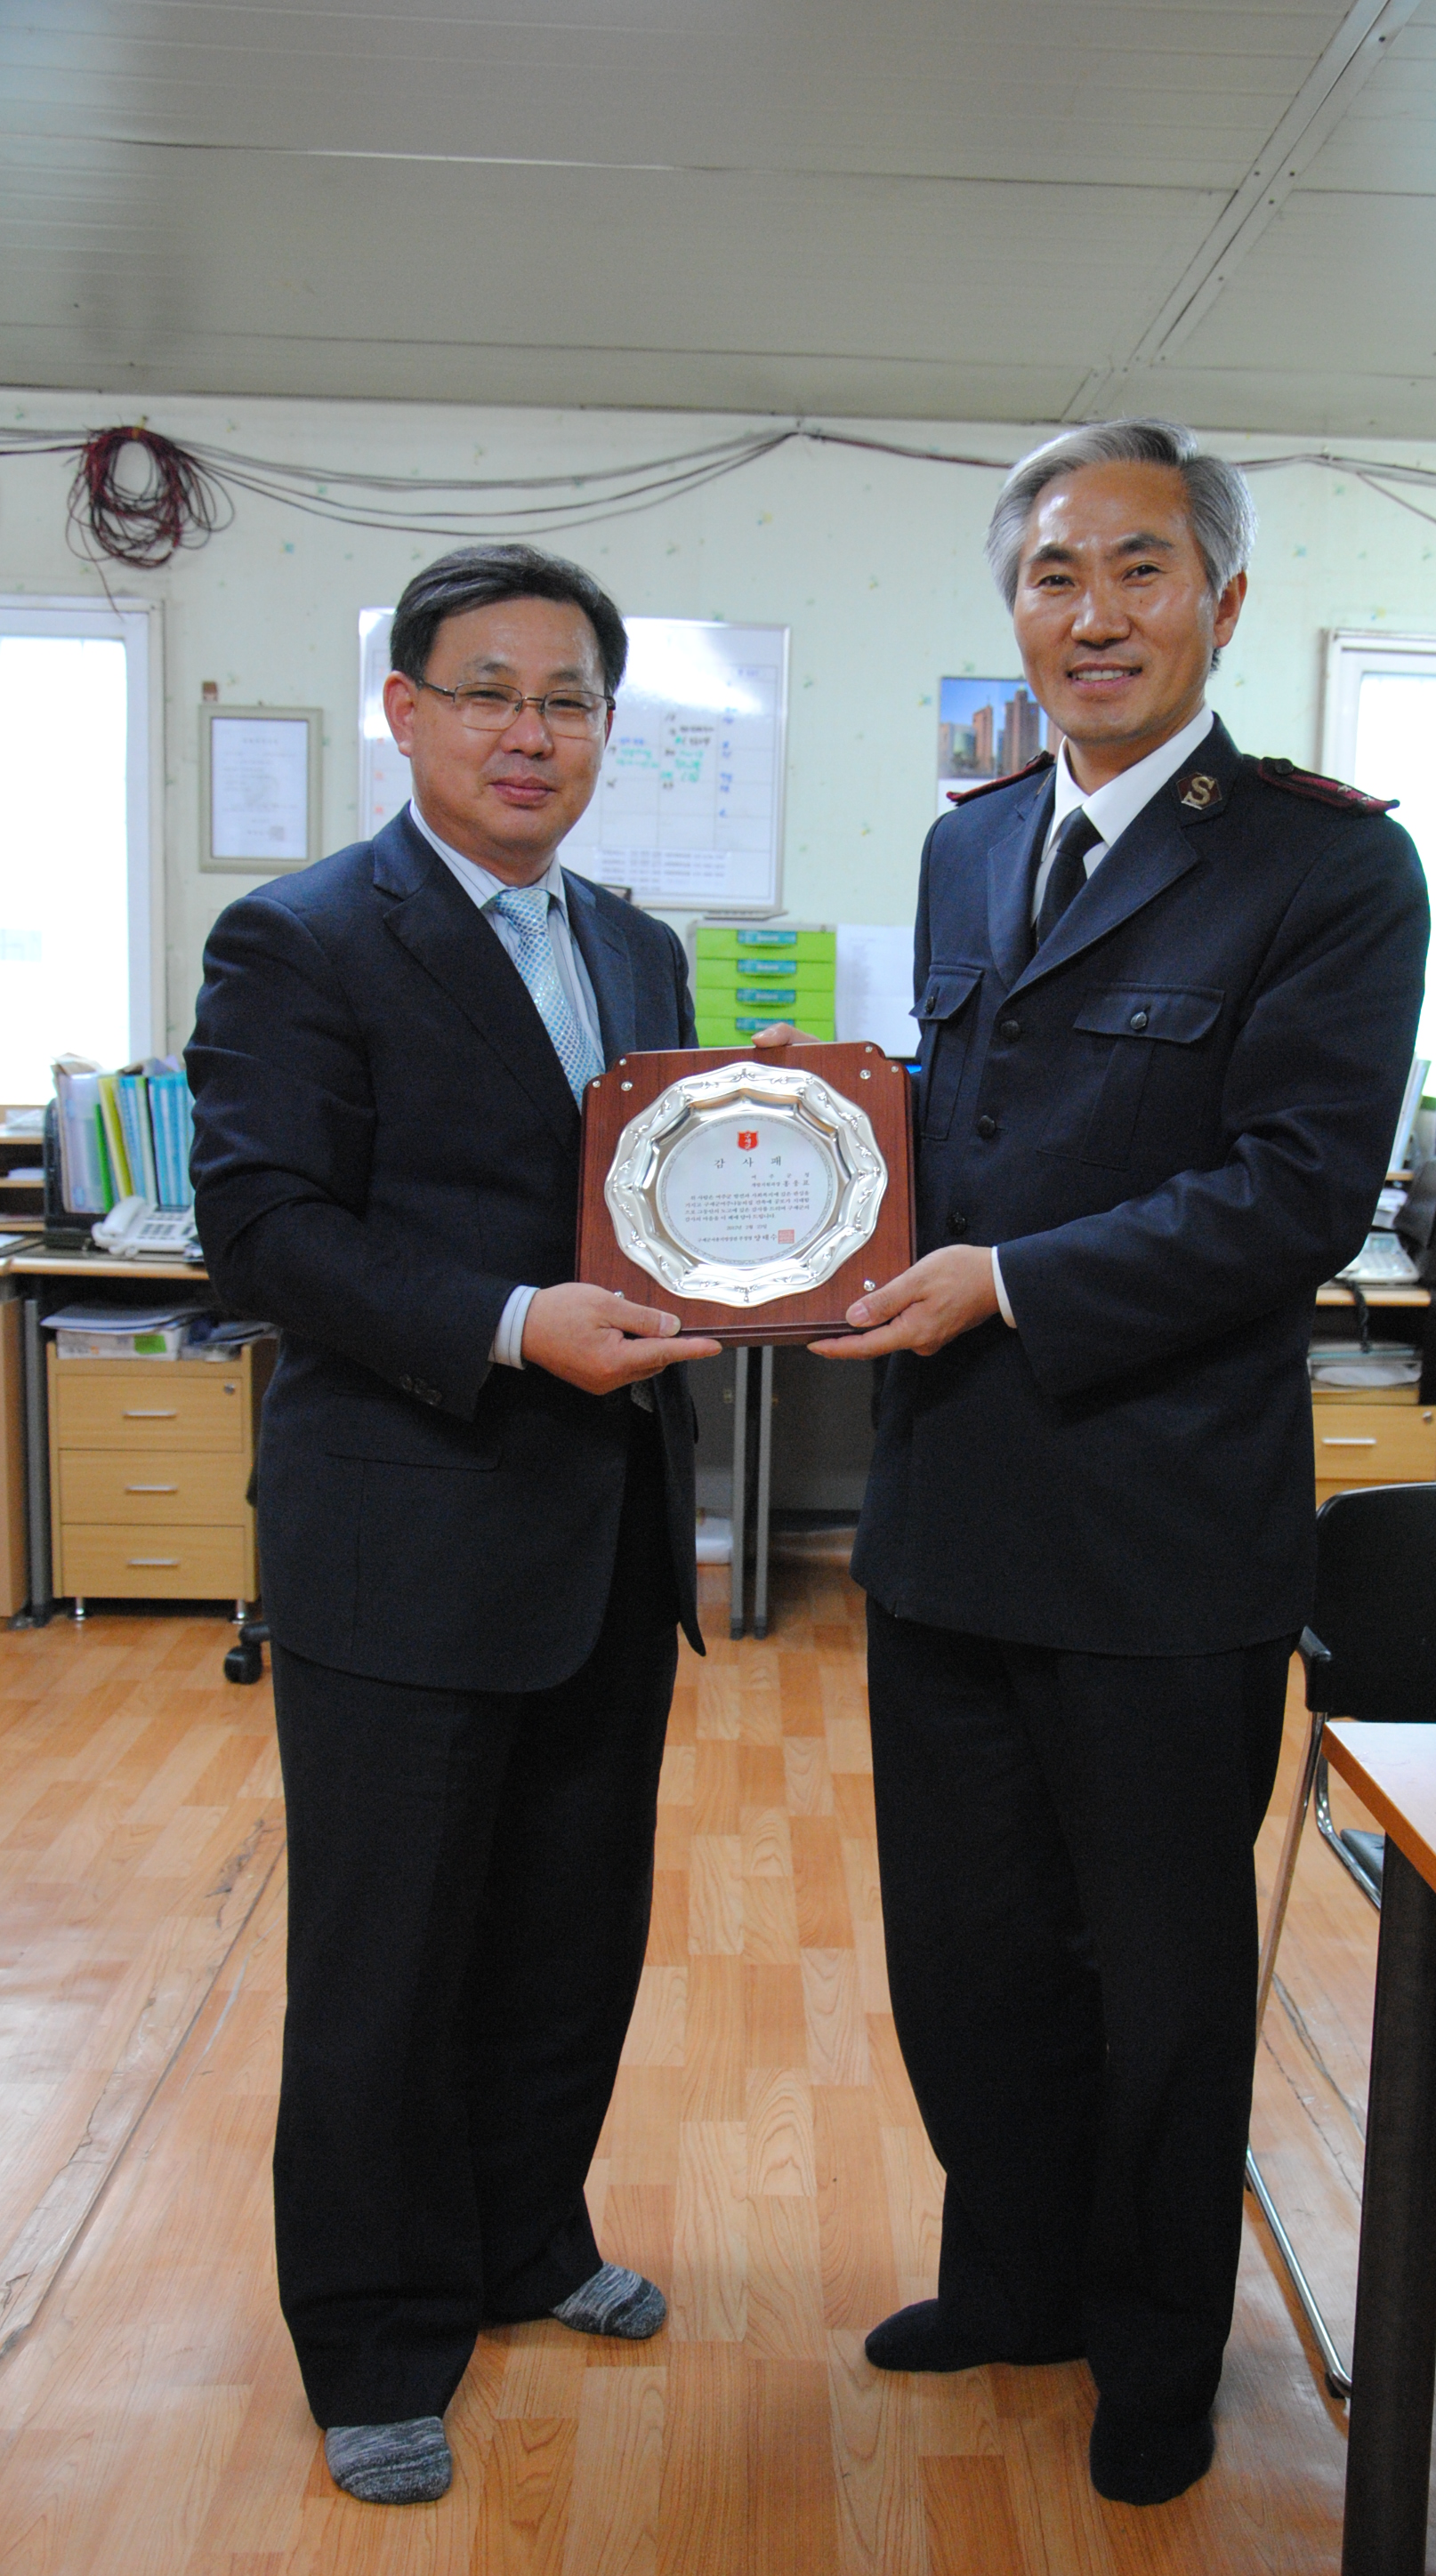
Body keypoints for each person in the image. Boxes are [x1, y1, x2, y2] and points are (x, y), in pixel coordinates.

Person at [812, 421, 1428, 2507]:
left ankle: (1158, 2344)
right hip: (951, 1505)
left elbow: (1294, 1193)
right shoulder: (971, 843)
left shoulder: (1329, 867)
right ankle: (1013, 2276)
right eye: (1056, 574)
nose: (1096, 613)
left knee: (1159, 1977)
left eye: (1142, 569)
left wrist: (1002, 1279)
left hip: (1164, 1527)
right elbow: (953, 1126)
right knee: (967, 1949)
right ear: (1016, 608)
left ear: (1221, 603)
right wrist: (808, 1173)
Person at [188, 544, 722, 2507]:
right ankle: (372, 2333)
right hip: (404, 1537)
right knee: (388, 1963)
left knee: (570, 1931)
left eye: (567, 697)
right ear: (402, 710)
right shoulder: (302, 938)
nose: (529, 729)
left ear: (605, 729)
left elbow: (660, 1205)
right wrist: (511, 1325)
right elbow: (263, 1228)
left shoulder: (640, 952)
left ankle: (523, 2238)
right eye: (488, 690)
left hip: (604, 1530)